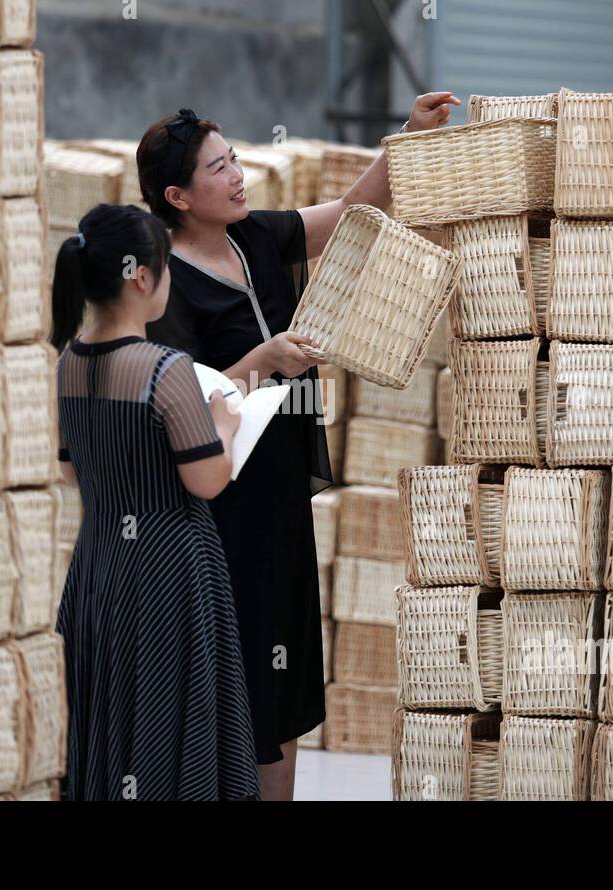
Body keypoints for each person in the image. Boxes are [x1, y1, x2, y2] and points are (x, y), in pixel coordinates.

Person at [137, 93, 460, 800]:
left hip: (279, 497)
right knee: (233, 676)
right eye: (218, 168)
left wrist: (404, 138)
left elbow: (347, 217)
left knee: (282, 682)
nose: (237, 175)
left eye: (233, 159)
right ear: (178, 197)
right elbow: (180, 397)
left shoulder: (254, 235)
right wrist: (265, 358)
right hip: (220, 510)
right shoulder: (165, 286)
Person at [51, 203, 259, 801]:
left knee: (107, 714)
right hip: (170, 569)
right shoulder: (166, 370)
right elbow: (207, 481)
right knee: (171, 723)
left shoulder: (67, 362)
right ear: (141, 276)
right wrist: (223, 421)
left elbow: (70, 470)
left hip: (98, 569)